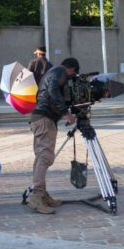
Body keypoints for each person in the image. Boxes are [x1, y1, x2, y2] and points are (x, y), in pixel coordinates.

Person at [27, 57, 79, 214]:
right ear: (71, 68)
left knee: (41, 157)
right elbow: (53, 90)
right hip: (45, 118)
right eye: (73, 74)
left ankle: (41, 194)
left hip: (39, 117)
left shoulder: (52, 72)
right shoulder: (60, 71)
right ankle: (37, 197)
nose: (71, 77)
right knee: (45, 157)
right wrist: (66, 113)